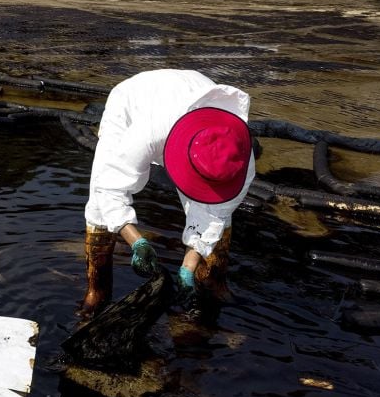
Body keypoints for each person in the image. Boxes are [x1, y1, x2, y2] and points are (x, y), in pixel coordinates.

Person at [80, 69, 255, 318]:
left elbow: (215, 215)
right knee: (100, 202)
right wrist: (136, 242)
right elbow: (110, 189)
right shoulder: (148, 131)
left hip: (195, 93)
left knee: (221, 215)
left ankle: (212, 283)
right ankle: (96, 292)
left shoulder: (239, 160)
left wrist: (188, 266)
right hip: (134, 103)